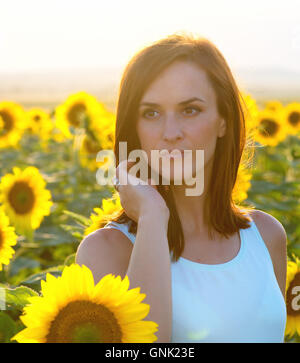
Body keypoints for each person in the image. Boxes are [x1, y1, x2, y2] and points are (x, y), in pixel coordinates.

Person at [76, 32, 287, 343]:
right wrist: (151, 216)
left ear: (223, 121)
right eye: (151, 113)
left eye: (190, 110)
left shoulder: (267, 236)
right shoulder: (106, 252)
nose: (170, 132)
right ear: (134, 128)